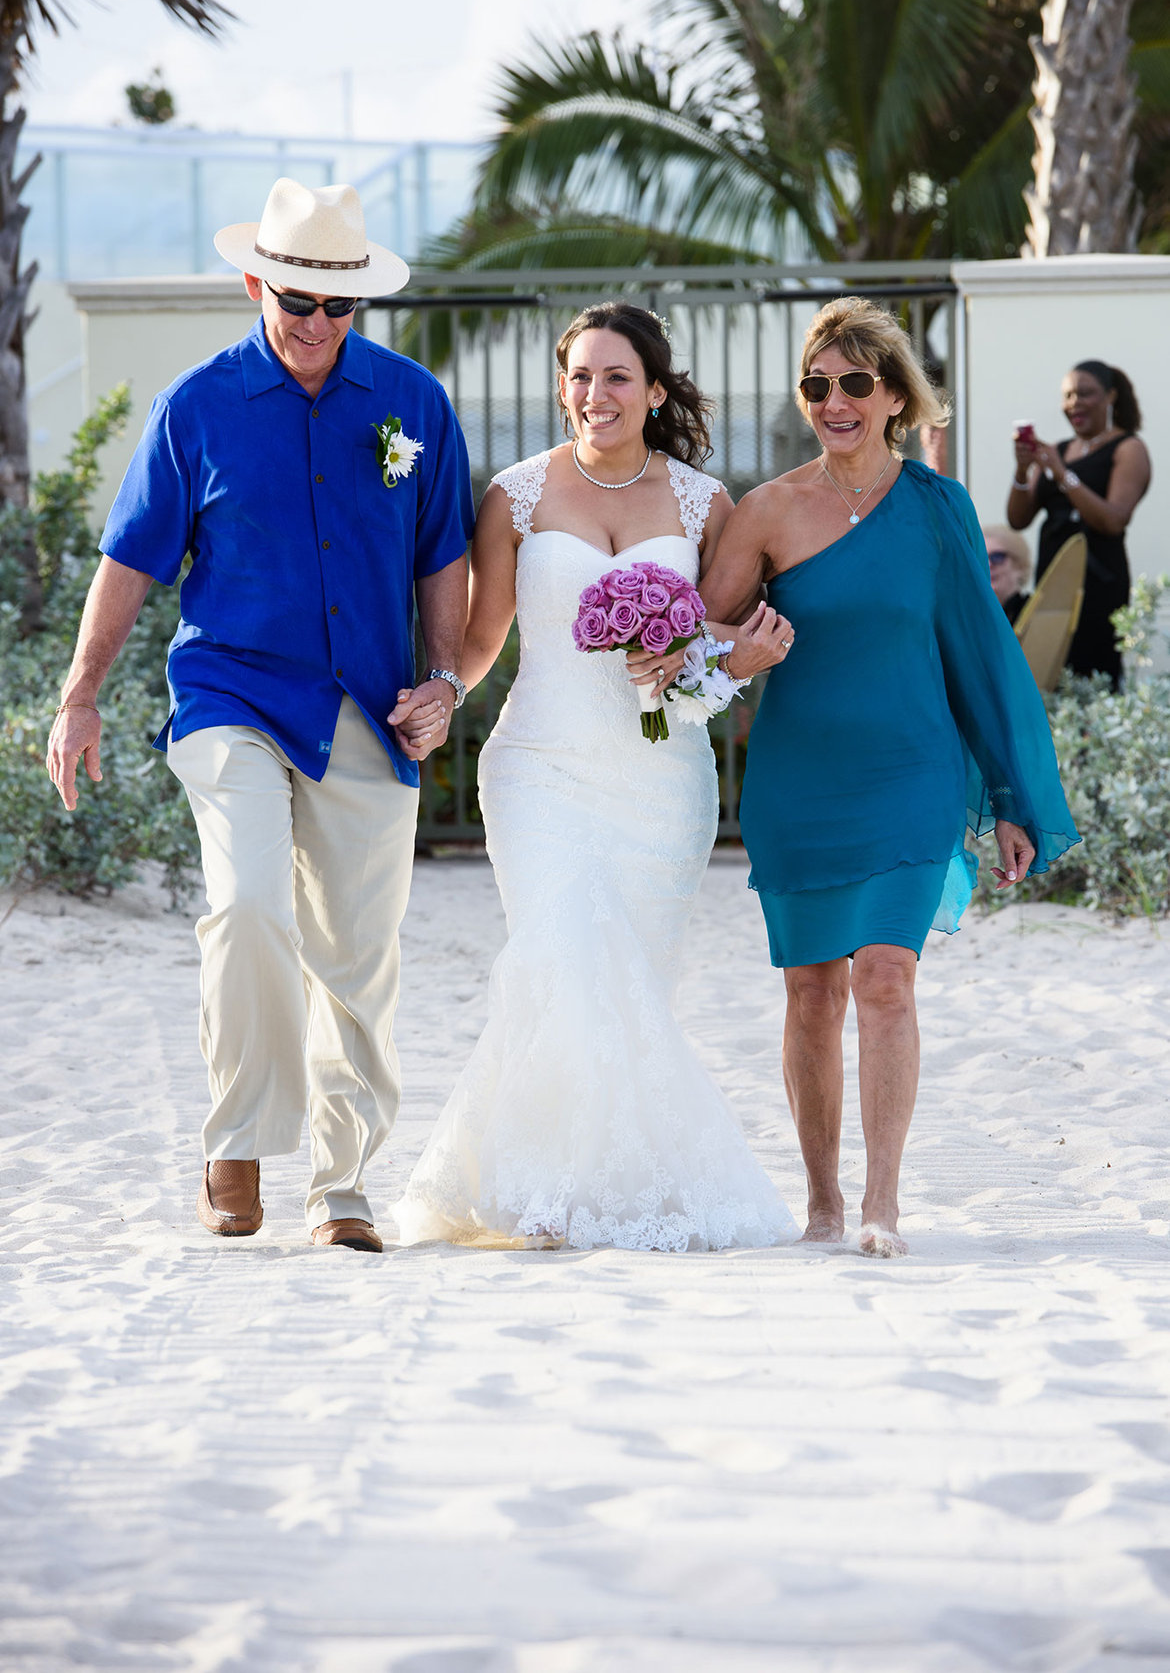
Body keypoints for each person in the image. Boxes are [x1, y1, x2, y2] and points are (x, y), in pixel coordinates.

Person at [45, 177, 475, 1253]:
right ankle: (235, 1141)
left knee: (358, 956)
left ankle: (343, 1186)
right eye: (298, 302)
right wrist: (80, 693)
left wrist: (442, 681)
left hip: (371, 712)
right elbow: (131, 562)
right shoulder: (194, 407)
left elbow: (444, 561)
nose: (318, 326)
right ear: (257, 284)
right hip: (230, 696)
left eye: (340, 308)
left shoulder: (413, 403)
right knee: (247, 909)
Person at [395, 301, 798, 1252]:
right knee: (563, 959)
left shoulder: (705, 503)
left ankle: (588, 1182)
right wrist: (446, 689)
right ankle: (542, 1195)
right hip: (539, 771)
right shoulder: (517, 495)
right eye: (580, 375)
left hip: (662, 787)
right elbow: (487, 635)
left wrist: (725, 659)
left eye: (617, 376)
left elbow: (717, 650)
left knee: (627, 989)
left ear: (656, 391)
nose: (595, 393)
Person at [700, 297, 1078, 1258]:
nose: (835, 401)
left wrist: (1008, 797)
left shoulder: (938, 507)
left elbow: (980, 659)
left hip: (910, 772)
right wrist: (742, 648)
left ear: (896, 396)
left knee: (886, 978)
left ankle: (882, 1203)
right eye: (817, 384)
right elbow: (695, 635)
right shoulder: (769, 509)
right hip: (800, 780)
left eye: (856, 383)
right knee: (811, 991)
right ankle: (822, 1200)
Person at [1006, 361, 1151, 687]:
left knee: (1092, 676)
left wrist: (1061, 474)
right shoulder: (1058, 450)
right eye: (1068, 395)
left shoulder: (1129, 449)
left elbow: (1113, 520)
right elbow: (1018, 520)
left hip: (1099, 584)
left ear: (1110, 396)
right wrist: (1022, 470)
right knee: (1049, 671)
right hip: (1053, 579)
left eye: (1085, 393)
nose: (1074, 403)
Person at [983, 523, 1033, 625]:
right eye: (982, 558)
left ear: (1020, 565)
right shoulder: (968, 617)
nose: (989, 564)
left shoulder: (1035, 612)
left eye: (997, 557)